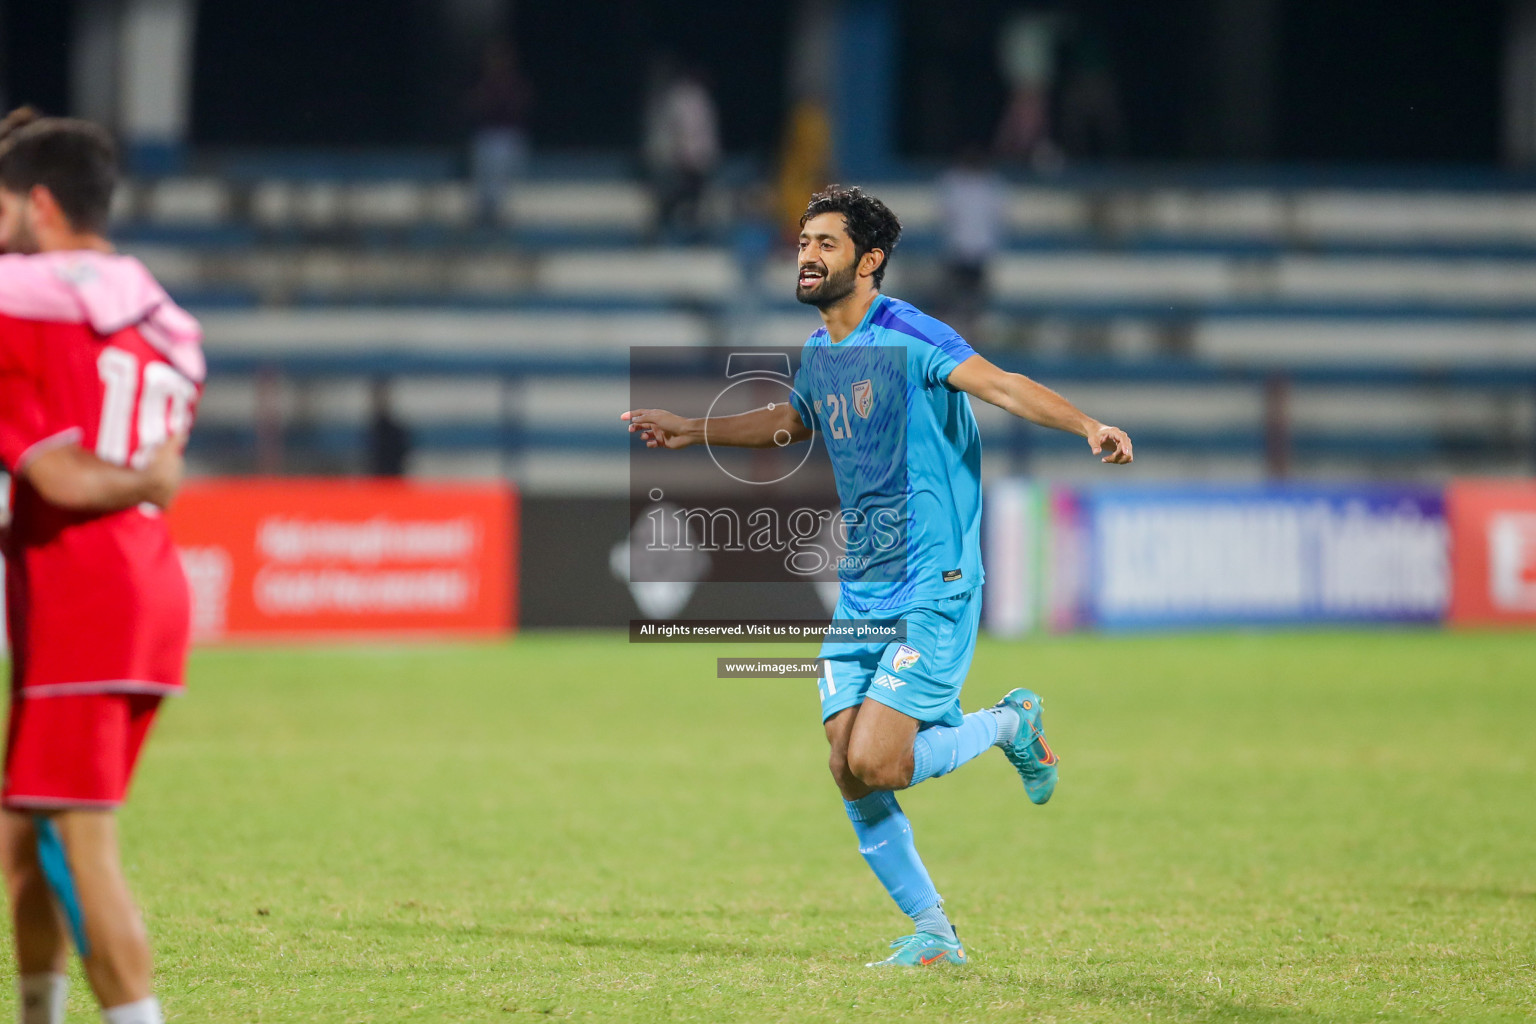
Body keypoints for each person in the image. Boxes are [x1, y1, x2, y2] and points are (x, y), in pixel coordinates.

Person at [622, 185, 1132, 967]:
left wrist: (1087, 424)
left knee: (878, 760)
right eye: (801, 242)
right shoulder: (824, 353)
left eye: (825, 244)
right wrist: (694, 428)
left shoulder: (912, 335)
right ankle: (935, 935)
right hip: (866, 583)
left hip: (937, 578)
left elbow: (999, 384)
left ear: (870, 261)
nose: (806, 255)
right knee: (843, 763)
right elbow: (793, 419)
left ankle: (1007, 723)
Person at [0, 108, 203, 1024]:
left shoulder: (23, 301)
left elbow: (60, 475)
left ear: (39, 205)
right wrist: (151, 478)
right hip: (144, 587)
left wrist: (131, 480)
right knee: (31, 825)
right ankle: (39, 1012)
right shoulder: (166, 315)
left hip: (85, 586)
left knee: (81, 842)